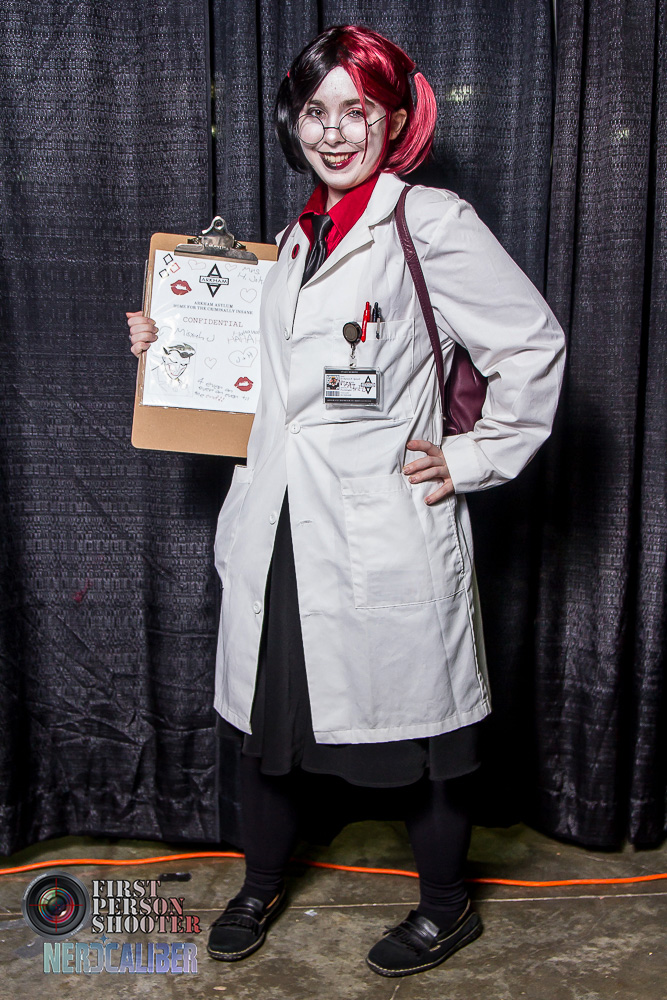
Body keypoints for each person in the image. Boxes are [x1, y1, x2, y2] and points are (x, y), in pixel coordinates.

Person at [127, 24, 565, 979]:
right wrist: (169, 348)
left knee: (428, 728)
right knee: (267, 721)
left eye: (357, 111)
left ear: (394, 120)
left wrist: (474, 456)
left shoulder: (427, 221)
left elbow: (531, 343)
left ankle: (446, 909)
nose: (334, 132)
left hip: (379, 525)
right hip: (278, 525)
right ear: (295, 123)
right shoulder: (290, 243)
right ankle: (258, 886)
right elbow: (250, 387)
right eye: (316, 112)